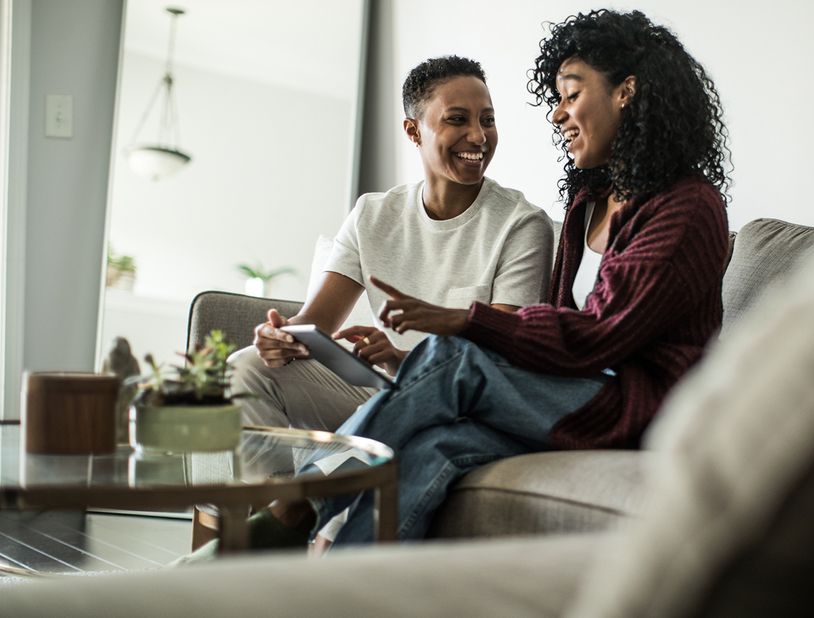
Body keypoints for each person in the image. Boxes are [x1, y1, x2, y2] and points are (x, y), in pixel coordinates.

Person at [184, 9, 731, 557]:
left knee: (455, 356)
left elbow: (597, 335)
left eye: (571, 94)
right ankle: (329, 580)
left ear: (626, 93)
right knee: (434, 446)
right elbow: (555, 337)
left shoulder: (685, 209)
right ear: (414, 130)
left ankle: (293, 506)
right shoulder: (590, 200)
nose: (558, 113)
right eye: (557, 99)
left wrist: (460, 320)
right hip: (563, 394)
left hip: (637, 410)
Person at [231, 56, 554, 432]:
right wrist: (282, 336)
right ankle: (271, 489)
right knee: (246, 368)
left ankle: (304, 489)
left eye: (487, 119)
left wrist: (403, 360)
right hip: (380, 390)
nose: (479, 136)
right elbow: (314, 322)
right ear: (414, 131)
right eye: (457, 119)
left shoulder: (523, 224)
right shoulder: (372, 214)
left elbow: (500, 361)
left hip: (460, 403)